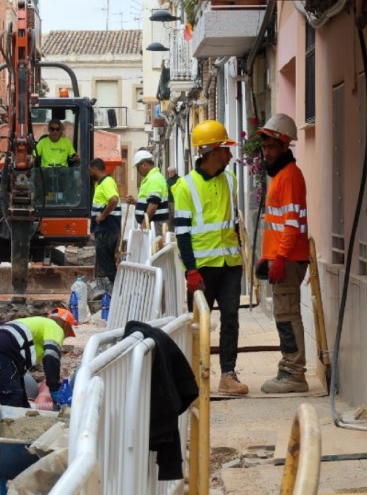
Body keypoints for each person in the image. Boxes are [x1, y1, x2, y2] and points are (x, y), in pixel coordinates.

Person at [172, 120, 247, 395]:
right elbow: (181, 233)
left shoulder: (230, 179)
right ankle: (194, 376)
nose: (229, 155)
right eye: (225, 149)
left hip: (230, 265)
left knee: (230, 318)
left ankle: (228, 374)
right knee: (198, 324)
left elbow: (233, 223)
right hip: (202, 269)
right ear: (212, 151)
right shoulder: (185, 187)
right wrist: (190, 270)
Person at [254, 113, 311, 394]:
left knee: (288, 316)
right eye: (264, 148)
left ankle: (294, 372)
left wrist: (279, 257)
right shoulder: (281, 176)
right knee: (284, 315)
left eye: (271, 147)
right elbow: (279, 225)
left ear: (285, 146)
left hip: (287, 260)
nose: (266, 152)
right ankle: (289, 367)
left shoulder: (289, 177)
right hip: (283, 257)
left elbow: (292, 223)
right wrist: (268, 255)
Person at [0, 313, 75, 421]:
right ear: (65, 325)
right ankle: (12, 437)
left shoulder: (35, 323)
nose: (64, 337)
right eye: (67, 334)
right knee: (12, 409)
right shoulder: (55, 327)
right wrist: (54, 387)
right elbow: (51, 357)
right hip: (1, 356)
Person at [90, 158, 121, 288]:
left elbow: (113, 199)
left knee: (107, 265)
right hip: (105, 230)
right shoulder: (102, 183)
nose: (89, 173)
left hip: (106, 230)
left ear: (95, 169)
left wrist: (102, 216)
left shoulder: (106, 182)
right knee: (107, 263)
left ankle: (113, 292)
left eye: (90, 170)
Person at [128, 150, 170, 229]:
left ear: (144, 165)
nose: (138, 171)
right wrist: (136, 202)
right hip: (152, 223)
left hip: (155, 224)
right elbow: (149, 201)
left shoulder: (154, 179)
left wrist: (144, 223)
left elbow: (153, 205)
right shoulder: (151, 178)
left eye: (138, 167)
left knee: (155, 241)